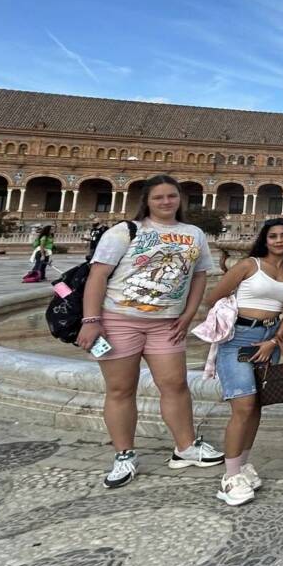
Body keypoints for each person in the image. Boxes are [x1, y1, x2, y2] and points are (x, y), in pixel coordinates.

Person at [77, 175, 222, 490]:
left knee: (175, 385)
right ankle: (124, 455)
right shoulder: (124, 231)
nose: (166, 202)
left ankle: (185, 447)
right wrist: (91, 320)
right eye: (159, 197)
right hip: (119, 320)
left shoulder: (194, 234)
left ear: (180, 199)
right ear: (147, 201)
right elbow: (97, 276)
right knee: (120, 389)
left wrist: (188, 315)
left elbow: (199, 276)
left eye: (172, 196)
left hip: (166, 324)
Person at [200, 217, 283, 506]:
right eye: (273, 236)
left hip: (269, 339)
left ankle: (242, 466)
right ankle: (229, 477)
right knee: (243, 405)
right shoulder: (248, 265)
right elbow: (213, 297)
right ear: (265, 240)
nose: (279, 240)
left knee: (255, 406)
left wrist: (275, 340)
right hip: (239, 338)